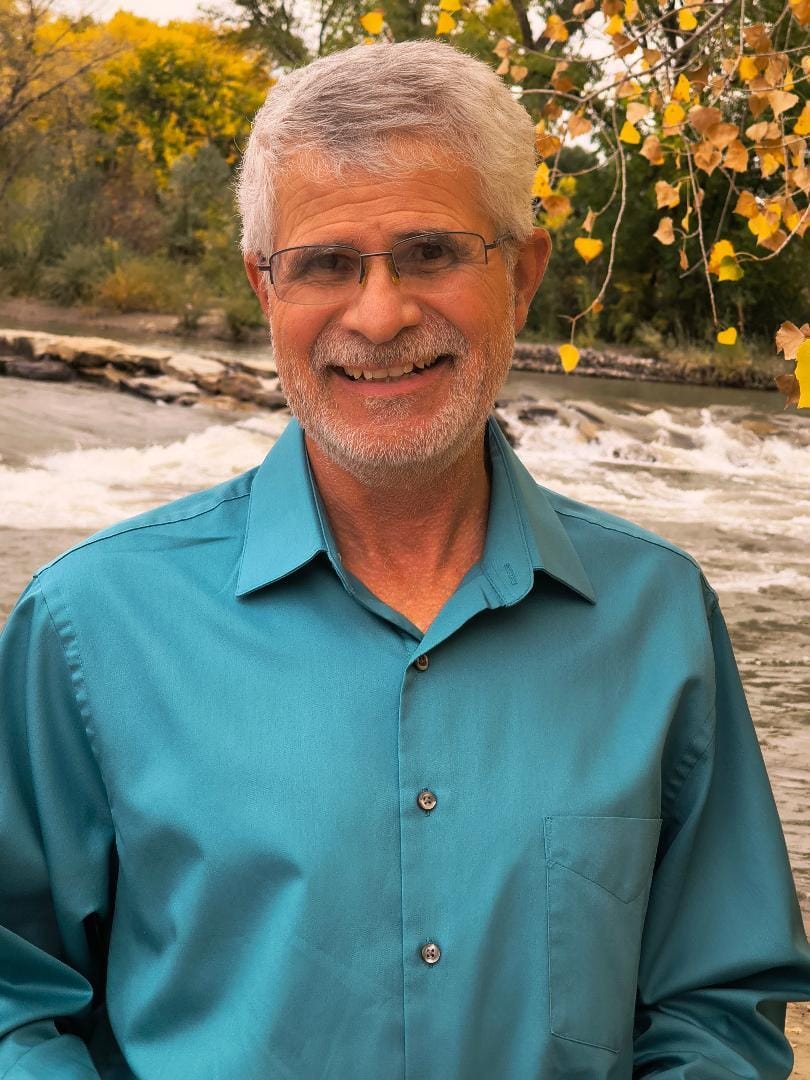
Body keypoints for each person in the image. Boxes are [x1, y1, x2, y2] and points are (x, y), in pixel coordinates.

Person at [0, 39, 808, 1080]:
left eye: (430, 251)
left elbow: (718, 1005)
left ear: (522, 271)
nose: (379, 314)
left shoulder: (657, 620)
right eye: (327, 263)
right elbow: (15, 993)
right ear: (263, 286)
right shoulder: (88, 625)